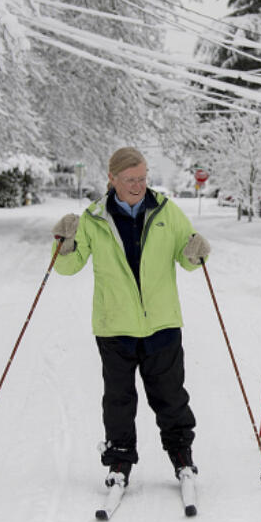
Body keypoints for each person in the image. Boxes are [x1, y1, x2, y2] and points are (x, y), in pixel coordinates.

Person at [51, 147, 211, 491]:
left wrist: (196, 252)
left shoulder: (168, 212)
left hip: (162, 324)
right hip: (115, 325)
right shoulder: (93, 218)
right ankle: (119, 461)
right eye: (130, 179)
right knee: (119, 400)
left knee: (171, 396)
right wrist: (63, 244)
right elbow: (68, 267)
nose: (138, 185)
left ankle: (182, 458)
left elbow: (188, 258)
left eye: (142, 178)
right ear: (112, 179)